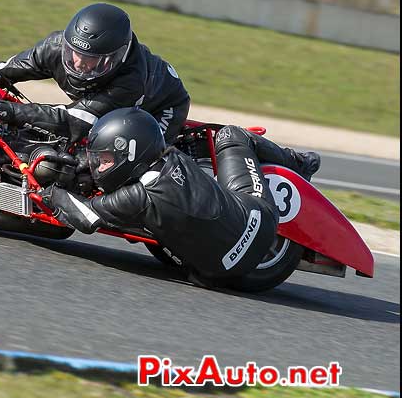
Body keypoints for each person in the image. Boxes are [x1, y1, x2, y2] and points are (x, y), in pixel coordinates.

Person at [39, 107, 321, 282]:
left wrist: (49, 192)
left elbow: (86, 216)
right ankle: (297, 159)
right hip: (243, 241)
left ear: (132, 152)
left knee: (230, 134)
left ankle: (300, 166)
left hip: (220, 268)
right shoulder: (170, 156)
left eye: (105, 158)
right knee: (231, 135)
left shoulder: (139, 195)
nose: (99, 165)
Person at [0, 3, 191, 146]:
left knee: (130, 159)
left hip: (161, 107)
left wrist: (1, 108)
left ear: (114, 58)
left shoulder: (130, 81)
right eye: (73, 52)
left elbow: (74, 122)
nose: (78, 62)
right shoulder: (54, 47)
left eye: (91, 59)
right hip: (91, 103)